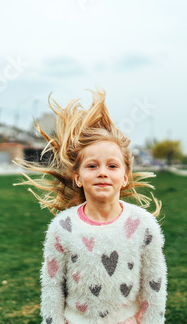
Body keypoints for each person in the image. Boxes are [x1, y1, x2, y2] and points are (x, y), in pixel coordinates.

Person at [14, 88, 167, 324]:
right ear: (77, 177)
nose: (103, 173)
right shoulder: (62, 228)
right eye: (92, 166)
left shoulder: (144, 225)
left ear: (125, 177)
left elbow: (154, 283)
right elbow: (52, 286)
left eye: (112, 166)